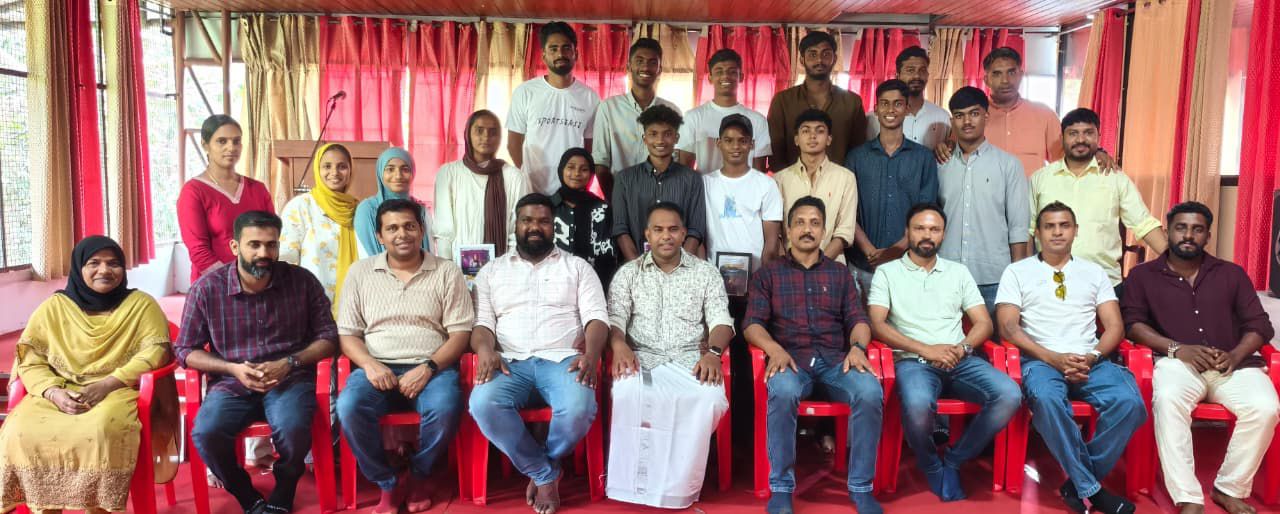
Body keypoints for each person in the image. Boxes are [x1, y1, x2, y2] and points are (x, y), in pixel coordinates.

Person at [0, 236, 177, 514]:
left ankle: (99, 509)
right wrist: (53, 392)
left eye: (113, 263)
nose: (104, 270)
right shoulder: (55, 309)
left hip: (118, 389)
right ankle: (43, 508)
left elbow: (155, 352)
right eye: (94, 263)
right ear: (79, 268)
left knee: (100, 430)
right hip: (59, 389)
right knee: (19, 430)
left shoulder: (141, 305)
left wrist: (108, 384)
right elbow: (30, 359)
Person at [1123, 201, 1279, 514]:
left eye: (1197, 229)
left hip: (1232, 366)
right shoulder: (1143, 276)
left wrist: (1235, 355)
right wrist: (1177, 349)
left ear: (1207, 236)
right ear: (1168, 232)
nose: (1188, 235)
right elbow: (1133, 325)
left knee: (1266, 407)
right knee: (1168, 399)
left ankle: (1229, 488)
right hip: (1176, 364)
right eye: (1181, 228)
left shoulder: (1231, 274)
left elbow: (1260, 326)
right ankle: (1188, 497)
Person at [179, 211, 338, 514]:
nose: (264, 253)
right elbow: (186, 350)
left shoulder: (301, 281)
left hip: (289, 378)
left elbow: (329, 337)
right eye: (254, 244)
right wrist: (231, 368)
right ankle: (244, 492)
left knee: (293, 428)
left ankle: (286, 485)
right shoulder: (207, 289)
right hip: (232, 381)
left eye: (271, 245)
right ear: (235, 246)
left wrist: (289, 362)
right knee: (206, 433)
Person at [997, 202, 1145, 514]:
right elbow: (1008, 326)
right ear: (1037, 233)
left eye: (1064, 225)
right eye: (1049, 226)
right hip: (1040, 360)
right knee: (1047, 400)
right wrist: (1052, 358)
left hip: (1090, 360)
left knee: (1130, 403)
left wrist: (1092, 357)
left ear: (1075, 231)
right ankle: (1092, 490)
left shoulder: (1094, 272)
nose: (1057, 232)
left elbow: (1115, 326)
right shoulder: (1017, 271)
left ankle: (1077, 484)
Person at [868, 203, 1021, 502]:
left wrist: (962, 348)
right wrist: (927, 349)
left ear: (943, 234)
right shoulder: (887, 272)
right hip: (913, 361)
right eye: (920, 228)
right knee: (917, 404)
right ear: (907, 232)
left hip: (959, 359)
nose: (927, 235)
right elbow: (877, 324)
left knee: (1009, 394)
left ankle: (954, 458)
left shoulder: (958, 272)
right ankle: (930, 464)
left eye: (934, 229)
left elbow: (984, 323)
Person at [468, 193, 608, 514]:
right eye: (527, 220)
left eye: (543, 221)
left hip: (563, 360)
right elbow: (482, 325)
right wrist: (486, 349)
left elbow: (597, 319)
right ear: (516, 224)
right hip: (509, 362)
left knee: (579, 407)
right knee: (482, 404)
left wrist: (592, 354)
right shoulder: (491, 272)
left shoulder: (578, 267)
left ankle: (542, 467)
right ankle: (545, 473)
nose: (535, 227)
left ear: (553, 226)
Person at [745, 196, 884, 514]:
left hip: (836, 362)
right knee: (782, 391)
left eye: (815, 223)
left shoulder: (839, 274)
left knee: (869, 391)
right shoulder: (769, 274)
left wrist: (858, 349)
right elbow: (752, 324)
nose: (807, 229)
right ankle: (782, 488)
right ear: (787, 230)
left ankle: (861, 487)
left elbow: (858, 321)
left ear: (823, 231)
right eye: (800, 222)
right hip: (790, 360)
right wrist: (773, 349)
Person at [337, 199, 474, 514]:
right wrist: (370, 365)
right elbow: (348, 335)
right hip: (377, 367)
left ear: (421, 231)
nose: (402, 234)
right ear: (380, 236)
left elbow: (460, 334)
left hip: (433, 367)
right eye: (392, 228)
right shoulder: (360, 273)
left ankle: (418, 475)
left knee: (446, 407)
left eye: (410, 226)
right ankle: (387, 482)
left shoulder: (446, 271)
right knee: (349, 407)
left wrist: (427, 368)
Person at [605, 202, 733, 508]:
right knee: (627, 393)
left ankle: (678, 489)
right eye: (658, 230)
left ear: (684, 233)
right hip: (642, 359)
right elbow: (614, 320)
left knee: (709, 399)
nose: (666, 236)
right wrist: (619, 345)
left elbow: (721, 322)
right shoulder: (628, 274)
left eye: (673, 229)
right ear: (647, 234)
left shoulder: (705, 273)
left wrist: (714, 353)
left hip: (691, 359)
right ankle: (633, 486)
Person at [1029, 108, 1167, 297]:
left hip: (1104, 284)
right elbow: (1029, 230)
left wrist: (1176, 262)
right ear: (1062, 138)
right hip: (1049, 282)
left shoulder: (1115, 178)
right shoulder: (1041, 179)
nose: (1080, 140)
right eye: (1073, 133)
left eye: (1088, 133)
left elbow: (1144, 224)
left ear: (1098, 136)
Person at [938, 86, 1029, 315]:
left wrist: (1018, 278)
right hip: (946, 274)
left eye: (974, 113)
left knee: (997, 337)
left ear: (986, 116)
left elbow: (1018, 226)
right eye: (959, 115)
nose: (967, 121)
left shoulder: (1008, 165)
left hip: (994, 278)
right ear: (951, 121)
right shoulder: (940, 164)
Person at [847, 80, 939, 292]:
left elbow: (927, 212)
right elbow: (847, 210)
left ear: (907, 109)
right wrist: (869, 250)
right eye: (884, 103)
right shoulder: (856, 157)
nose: (890, 110)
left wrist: (897, 249)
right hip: (863, 264)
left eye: (898, 104)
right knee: (862, 315)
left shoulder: (923, 158)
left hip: (909, 264)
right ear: (876, 109)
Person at [177, 114, 275, 283]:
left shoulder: (258, 189)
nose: (231, 147)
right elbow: (198, 250)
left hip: (259, 281)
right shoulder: (193, 191)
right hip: (215, 284)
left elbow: (271, 237)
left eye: (236, 141)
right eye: (222, 141)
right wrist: (234, 281)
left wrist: (261, 278)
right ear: (205, 145)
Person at [508, 22, 601, 195]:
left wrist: (581, 183)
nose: (560, 54)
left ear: (576, 54)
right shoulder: (526, 92)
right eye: (553, 48)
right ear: (544, 55)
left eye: (566, 48)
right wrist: (526, 178)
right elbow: (513, 143)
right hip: (532, 191)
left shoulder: (590, 97)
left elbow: (590, 148)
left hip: (572, 192)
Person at [611, 104, 707, 262]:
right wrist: (638, 267)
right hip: (636, 266)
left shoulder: (692, 179)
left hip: (681, 267)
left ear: (676, 138)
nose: (660, 140)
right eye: (653, 134)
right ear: (644, 138)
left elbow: (696, 230)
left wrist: (680, 267)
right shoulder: (625, 179)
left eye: (667, 134)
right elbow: (620, 229)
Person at [434, 110, 531, 260]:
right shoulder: (448, 173)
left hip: (502, 264)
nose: (486, 137)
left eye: (493, 132)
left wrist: (509, 265)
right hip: (456, 265)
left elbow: (517, 229)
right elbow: (443, 229)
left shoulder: (514, 177)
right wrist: (447, 266)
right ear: (468, 134)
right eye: (479, 131)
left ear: (500, 137)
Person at [591, 37, 680, 198]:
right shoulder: (608, 108)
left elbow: (676, 160)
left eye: (652, 62)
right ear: (629, 67)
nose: (645, 67)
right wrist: (615, 202)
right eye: (639, 61)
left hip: (662, 199)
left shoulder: (672, 111)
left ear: (659, 69)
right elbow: (600, 163)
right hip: (620, 196)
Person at [767, 30, 867, 171]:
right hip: (792, 182)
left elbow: (858, 152)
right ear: (802, 60)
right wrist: (789, 181)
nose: (819, 60)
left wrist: (844, 180)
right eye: (812, 54)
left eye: (826, 54)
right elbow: (776, 152)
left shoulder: (852, 102)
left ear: (834, 59)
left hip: (839, 182)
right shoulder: (782, 101)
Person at [773, 109, 859, 263]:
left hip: (831, 266)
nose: (812, 136)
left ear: (829, 139)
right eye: (806, 131)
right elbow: (776, 233)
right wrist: (788, 266)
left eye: (819, 131)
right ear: (796, 139)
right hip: (788, 268)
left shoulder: (846, 178)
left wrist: (818, 266)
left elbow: (845, 232)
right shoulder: (779, 179)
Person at [702, 114, 784, 269]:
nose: (736, 146)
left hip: (754, 273)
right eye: (728, 140)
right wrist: (705, 272)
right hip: (714, 273)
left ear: (752, 144)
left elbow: (772, 241)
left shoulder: (766, 184)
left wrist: (763, 276)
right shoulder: (705, 183)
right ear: (718, 143)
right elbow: (698, 235)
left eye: (743, 141)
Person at [280, 142, 359, 302]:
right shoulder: (301, 206)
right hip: (311, 302)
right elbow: (286, 258)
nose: (334, 172)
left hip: (354, 303)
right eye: (327, 166)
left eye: (342, 166)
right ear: (317, 169)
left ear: (351, 170)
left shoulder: (358, 209)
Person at [676, 48, 772, 173]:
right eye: (719, 72)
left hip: (746, 186)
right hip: (703, 185)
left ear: (741, 77)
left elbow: (759, 172)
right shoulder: (692, 117)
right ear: (710, 78)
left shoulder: (758, 120)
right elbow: (684, 169)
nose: (725, 76)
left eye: (732, 72)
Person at [551, 148, 617, 287]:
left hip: (595, 284)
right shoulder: (548, 207)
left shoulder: (602, 208)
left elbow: (608, 253)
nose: (577, 173)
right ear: (561, 170)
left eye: (584, 169)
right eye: (571, 167)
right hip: (554, 284)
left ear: (591, 173)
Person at [354, 147, 434, 259]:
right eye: (390, 169)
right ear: (380, 172)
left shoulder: (421, 210)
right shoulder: (367, 210)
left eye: (405, 169)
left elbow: (430, 251)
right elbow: (365, 254)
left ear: (413, 173)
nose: (398, 176)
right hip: (376, 269)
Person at [865, 46, 950, 149]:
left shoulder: (942, 118)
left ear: (928, 75)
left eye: (922, 70)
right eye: (910, 70)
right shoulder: (872, 119)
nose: (917, 76)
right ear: (898, 75)